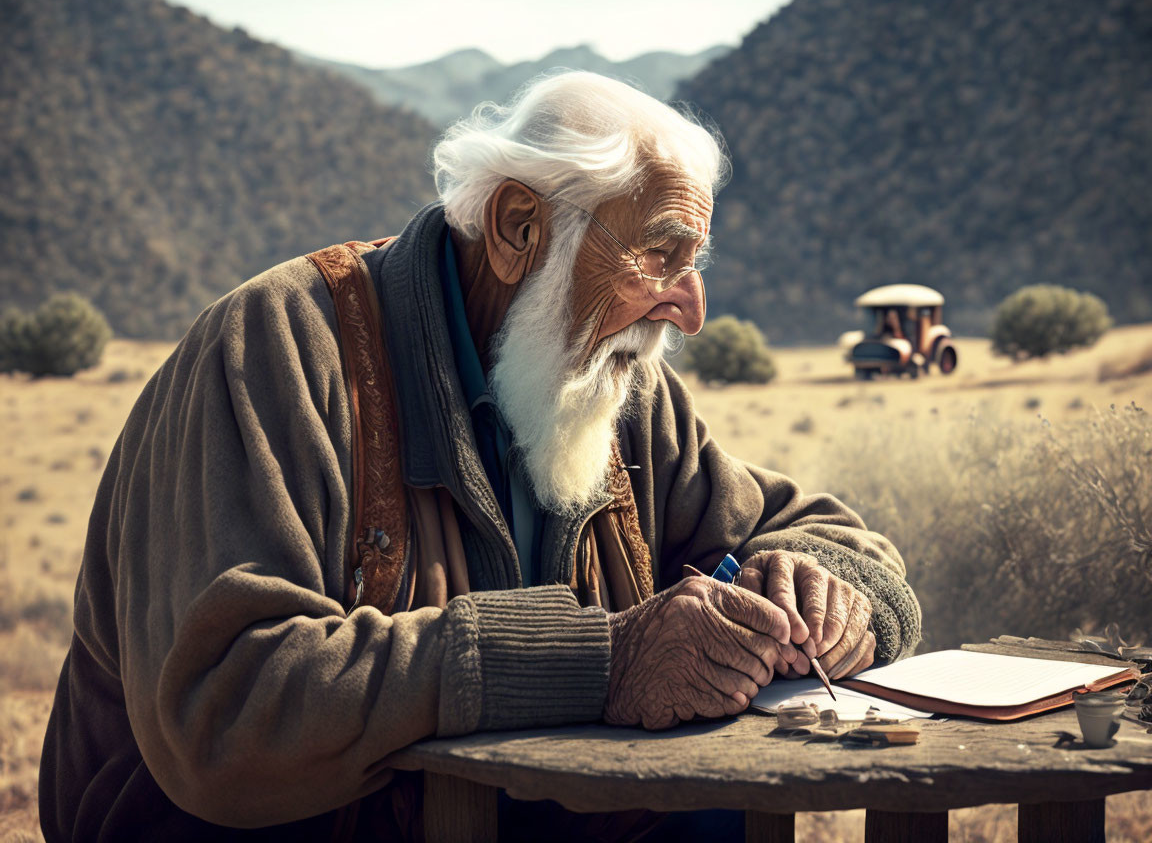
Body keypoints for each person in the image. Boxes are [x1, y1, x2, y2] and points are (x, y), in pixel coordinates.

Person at [40, 71, 921, 841]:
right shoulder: (276, 347)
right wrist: (601, 661)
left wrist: (818, 585)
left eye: (692, 263)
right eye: (658, 255)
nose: (687, 309)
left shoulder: (611, 382)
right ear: (516, 228)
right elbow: (227, 710)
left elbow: (822, 533)